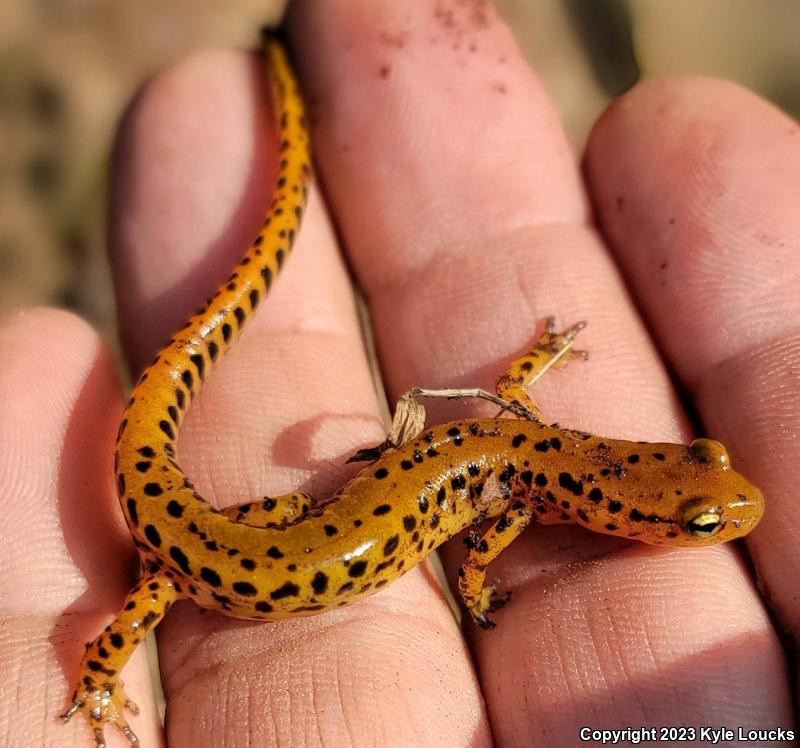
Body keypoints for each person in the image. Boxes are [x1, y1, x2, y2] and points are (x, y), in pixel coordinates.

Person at [3, 1, 796, 744]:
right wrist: (476, 593)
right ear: (625, 504)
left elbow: (509, 414)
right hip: (191, 561)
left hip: (247, 535)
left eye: (698, 507)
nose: (718, 501)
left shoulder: (536, 452)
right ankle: (95, 682)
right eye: (698, 504)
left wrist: (539, 356)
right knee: (146, 600)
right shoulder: (524, 499)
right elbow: (478, 555)